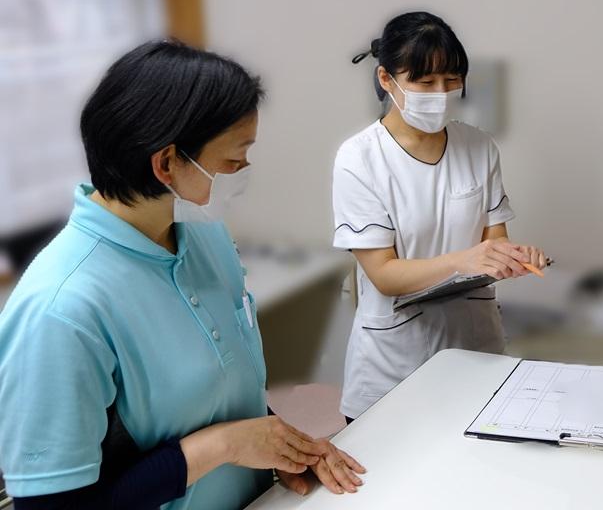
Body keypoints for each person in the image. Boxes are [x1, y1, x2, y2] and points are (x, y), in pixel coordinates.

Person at [0, 40, 365, 510]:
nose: (244, 172)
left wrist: (280, 445)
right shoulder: (63, 309)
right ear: (167, 163)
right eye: (233, 161)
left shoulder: (202, 234)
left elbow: (225, 389)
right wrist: (222, 446)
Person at [334, 11, 548, 421]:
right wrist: (463, 260)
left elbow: (494, 240)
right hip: (394, 367)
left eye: (451, 81)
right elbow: (383, 274)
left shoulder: (478, 146)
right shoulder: (359, 159)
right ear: (386, 80)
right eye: (425, 82)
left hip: (477, 350)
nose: (441, 92)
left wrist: (514, 256)